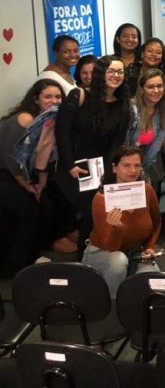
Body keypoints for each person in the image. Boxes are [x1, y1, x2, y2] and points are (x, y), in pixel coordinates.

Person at [55, 55, 131, 255]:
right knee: (91, 212)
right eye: (111, 71)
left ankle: (93, 257)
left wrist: (109, 173)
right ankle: (85, 259)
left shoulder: (122, 104)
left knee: (96, 213)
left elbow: (115, 144)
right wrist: (70, 165)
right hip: (72, 167)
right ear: (101, 73)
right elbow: (61, 132)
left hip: (99, 169)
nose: (116, 75)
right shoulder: (79, 95)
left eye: (120, 71)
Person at [0, 80, 64, 277]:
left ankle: (30, 258)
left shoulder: (50, 120)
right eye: (48, 97)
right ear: (36, 100)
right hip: (6, 173)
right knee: (29, 213)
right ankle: (14, 267)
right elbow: (11, 157)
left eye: (58, 97)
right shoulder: (26, 118)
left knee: (44, 208)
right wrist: (27, 186)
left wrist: (41, 184)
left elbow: (45, 154)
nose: (54, 101)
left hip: (23, 174)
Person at [82, 146, 162, 297]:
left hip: (135, 252)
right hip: (104, 253)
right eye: (126, 165)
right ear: (114, 168)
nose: (133, 170)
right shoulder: (101, 199)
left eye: (137, 165)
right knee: (118, 261)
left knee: (153, 279)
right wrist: (117, 228)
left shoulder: (147, 191)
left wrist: (149, 247)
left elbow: (157, 223)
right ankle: (111, 303)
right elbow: (110, 246)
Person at [126, 68, 165, 192]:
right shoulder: (131, 110)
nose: (156, 91)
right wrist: (134, 167)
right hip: (126, 161)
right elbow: (125, 144)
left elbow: (158, 142)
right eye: (150, 87)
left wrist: (143, 168)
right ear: (141, 89)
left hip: (148, 162)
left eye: (159, 86)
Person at [113, 23, 142, 90]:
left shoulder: (143, 61)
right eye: (125, 36)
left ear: (138, 41)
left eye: (134, 37)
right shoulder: (110, 61)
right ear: (118, 39)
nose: (130, 39)